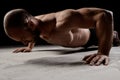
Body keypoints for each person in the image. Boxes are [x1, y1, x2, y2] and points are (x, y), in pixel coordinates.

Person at [3, 7, 120, 66]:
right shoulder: (35, 24)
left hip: (93, 36)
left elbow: (104, 14)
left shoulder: (63, 20)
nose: (24, 42)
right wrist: (29, 46)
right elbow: (32, 33)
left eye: (23, 39)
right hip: (77, 43)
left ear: (31, 25)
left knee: (115, 39)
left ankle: (114, 35)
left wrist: (103, 52)